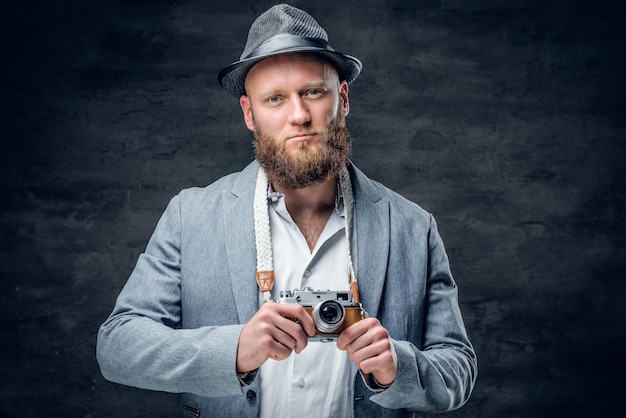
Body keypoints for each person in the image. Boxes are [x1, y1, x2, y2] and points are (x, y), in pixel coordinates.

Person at [96, 4, 477, 417]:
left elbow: (457, 369)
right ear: (249, 114)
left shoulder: (412, 227)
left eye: (313, 91)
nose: (299, 115)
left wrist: (395, 368)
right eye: (275, 98)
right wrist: (235, 350)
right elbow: (118, 346)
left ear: (343, 98)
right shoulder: (191, 216)